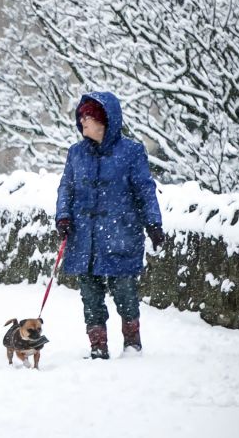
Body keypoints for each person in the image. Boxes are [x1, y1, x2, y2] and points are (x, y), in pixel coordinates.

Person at [55, 91, 164, 359]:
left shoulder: (131, 152)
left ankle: (132, 342)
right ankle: (98, 346)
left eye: (87, 119)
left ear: (104, 120)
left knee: (124, 290)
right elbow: (66, 188)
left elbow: (144, 190)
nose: (83, 124)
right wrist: (63, 217)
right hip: (84, 237)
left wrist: (153, 223)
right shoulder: (76, 154)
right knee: (90, 295)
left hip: (120, 234)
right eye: (81, 120)